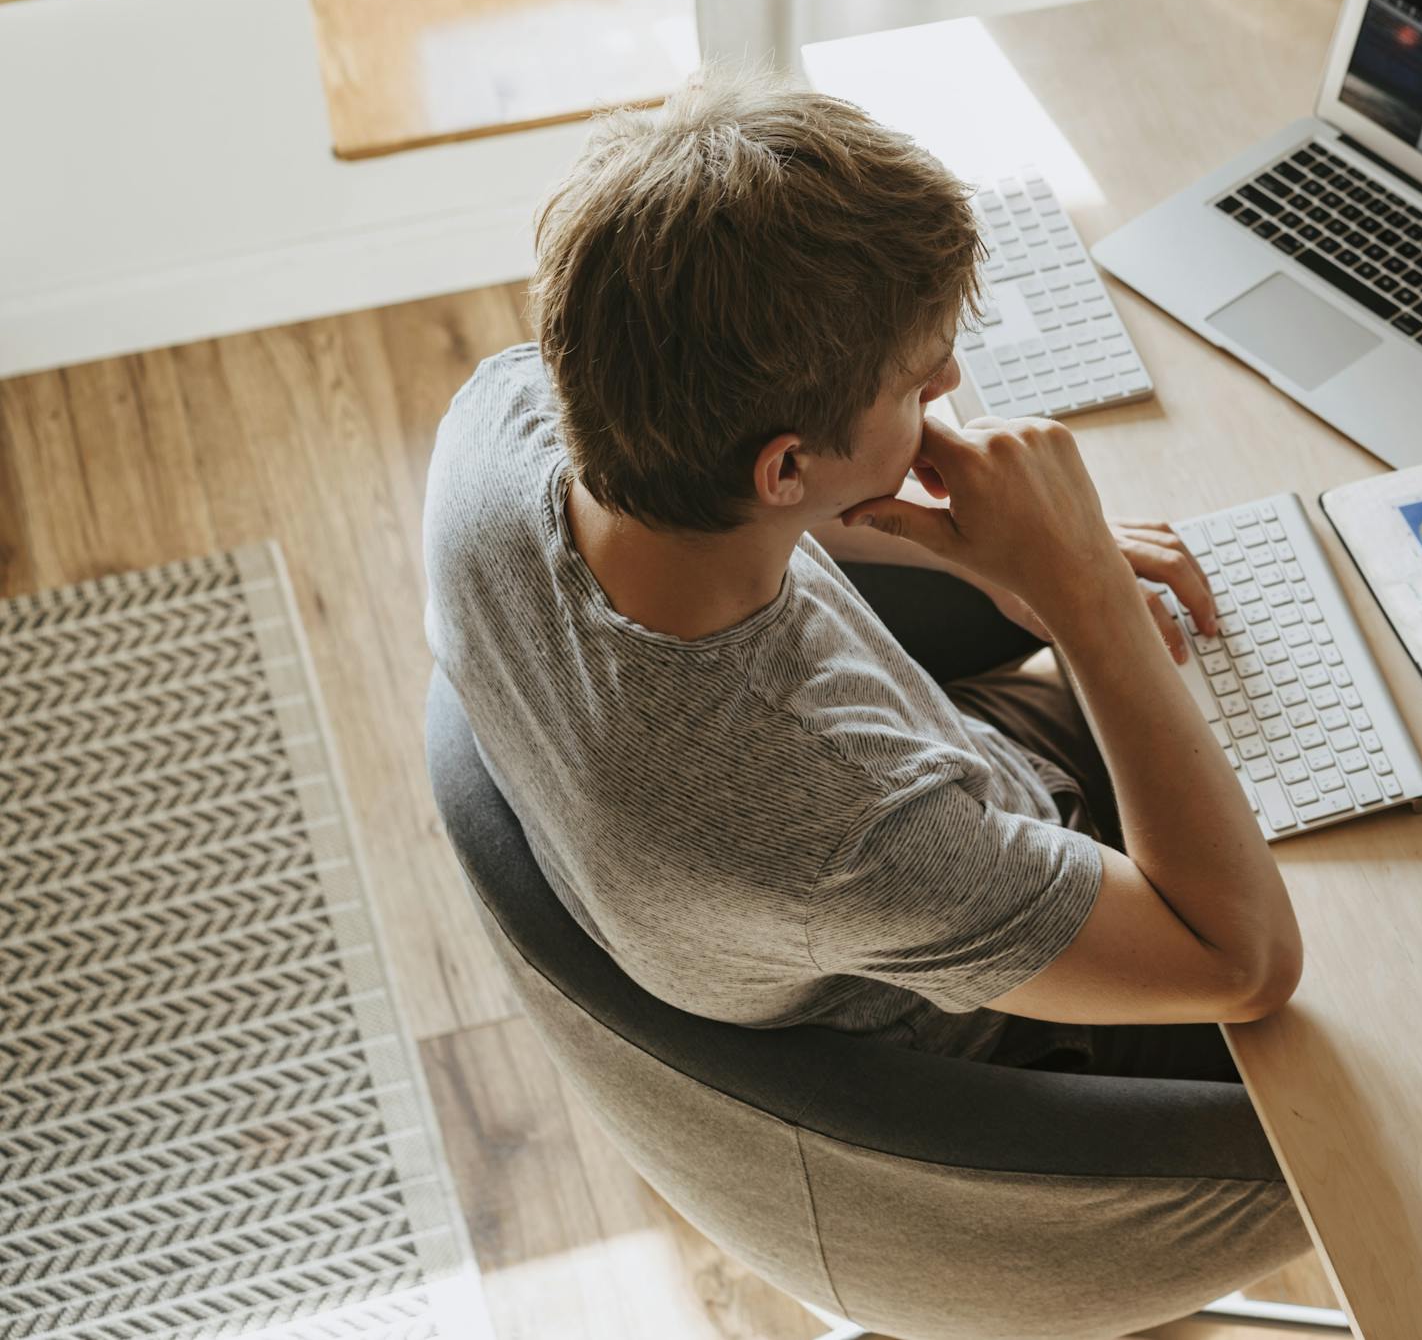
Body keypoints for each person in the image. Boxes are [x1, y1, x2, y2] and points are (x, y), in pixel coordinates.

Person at [421, 69, 1307, 1307]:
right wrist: (1085, 604)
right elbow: (1241, 962)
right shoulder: (834, 820)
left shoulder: (504, 420)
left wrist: (1016, 551)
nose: (949, 394)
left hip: (898, 814)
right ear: (784, 464)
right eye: (921, 384)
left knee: (1285, 653)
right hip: (1024, 1013)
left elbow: (743, 508)